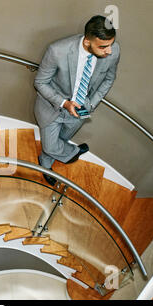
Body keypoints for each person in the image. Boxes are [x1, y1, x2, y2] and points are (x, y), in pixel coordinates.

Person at [34, 15, 119, 186]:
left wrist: (91, 104)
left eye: (110, 45)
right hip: (54, 108)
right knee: (51, 146)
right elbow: (40, 82)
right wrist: (65, 103)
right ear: (87, 41)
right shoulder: (58, 51)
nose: (109, 51)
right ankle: (71, 153)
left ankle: (46, 163)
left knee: (63, 139)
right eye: (103, 47)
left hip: (81, 109)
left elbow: (109, 80)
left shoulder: (114, 50)